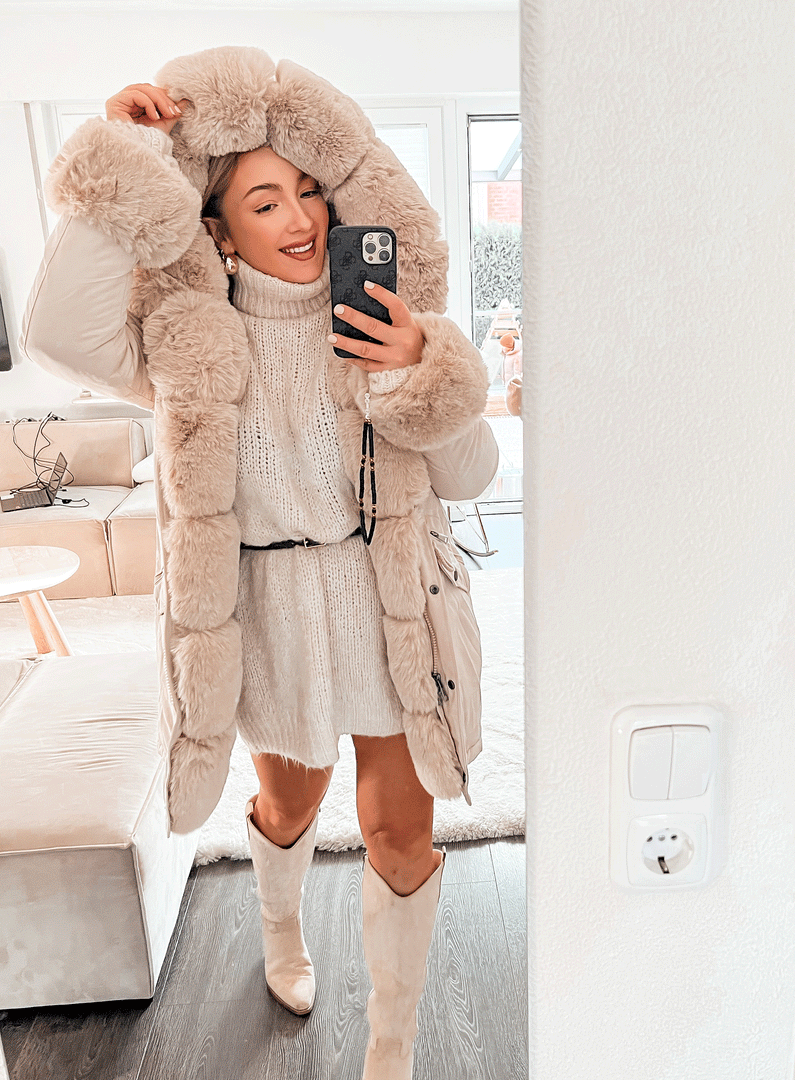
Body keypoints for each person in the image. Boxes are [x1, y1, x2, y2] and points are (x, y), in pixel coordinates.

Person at [21, 46, 498, 1080]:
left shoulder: (389, 317)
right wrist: (132, 153)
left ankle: (393, 1043)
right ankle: (283, 934)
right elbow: (55, 332)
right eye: (265, 201)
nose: (300, 218)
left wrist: (420, 366)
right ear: (217, 228)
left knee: (398, 829)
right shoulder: (182, 339)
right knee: (291, 804)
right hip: (270, 607)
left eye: (310, 191)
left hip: (388, 600)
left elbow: (472, 474)